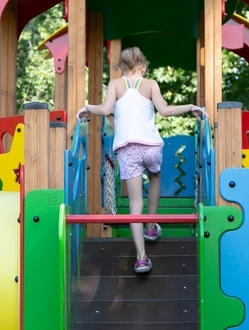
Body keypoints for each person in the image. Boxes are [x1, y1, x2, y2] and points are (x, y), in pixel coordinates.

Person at [77, 47, 205, 274]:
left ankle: (141, 258)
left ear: (120, 68)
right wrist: (190, 107)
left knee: (135, 204)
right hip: (151, 146)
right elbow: (164, 111)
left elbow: (105, 110)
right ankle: (151, 226)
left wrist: (87, 108)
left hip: (128, 148)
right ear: (143, 67)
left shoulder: (116, 85)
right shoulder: (151, 84)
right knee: (155, 176)